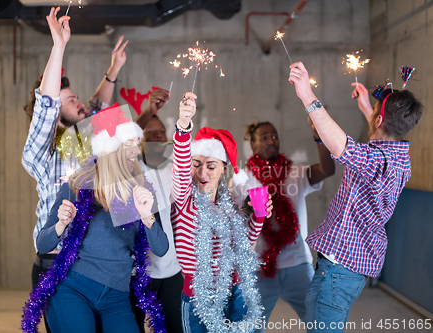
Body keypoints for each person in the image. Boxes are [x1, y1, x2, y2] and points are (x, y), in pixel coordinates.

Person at [288, 62, 423, 332]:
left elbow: (341, 145)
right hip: (351, 269)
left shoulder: (375, 161)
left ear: (379, 120)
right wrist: (367, 108)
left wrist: (307, 95)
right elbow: (384, 134)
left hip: (337, 272)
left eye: (374, 111)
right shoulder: (400, 157)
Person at [21, 7, 127, 331]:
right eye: (71, 100)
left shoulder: (85, 142)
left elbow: (96, 107)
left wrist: (112, 72)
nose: (81, 103)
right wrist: (58, 47)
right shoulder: (41, 153)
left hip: (100, 263)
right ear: (55, 113)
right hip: (57, 264)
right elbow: (48, 103)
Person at [29, 98, 169, 332]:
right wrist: (61, 225)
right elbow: (43, 244)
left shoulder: (142, 188)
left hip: (117, 298)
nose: (137, 150)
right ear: (111, 148)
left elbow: (161, 248)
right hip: (73, 290)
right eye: (130, 144)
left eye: (137, 142)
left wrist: (147, 217)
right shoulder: (79, 185)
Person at [171, 92, 273, 333]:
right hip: (199, 297)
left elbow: (244, 245)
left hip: (235, 291)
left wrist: (258, 216)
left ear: (223, 168)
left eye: (211, 166)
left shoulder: (230, 204)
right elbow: (180, 165)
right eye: (196, 165)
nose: (203, 173)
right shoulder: (184, 199)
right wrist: (184, 127)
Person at [231, 118, 335, 329]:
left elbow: (327, 170)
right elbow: (234, 216)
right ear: (253, 144)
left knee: (319, 322)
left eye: (275, 136)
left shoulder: (295, 172)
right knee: (251, 326)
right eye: (264, 137)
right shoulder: (242, 178)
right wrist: (248, 209)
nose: (271, 140)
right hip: (259, 267)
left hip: (298, 264)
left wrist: (319, 138)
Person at [127, 93, 185, 333]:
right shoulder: (130, 169)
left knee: (176, 327)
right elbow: (125, 136)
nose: (158, 135)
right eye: (150, 132)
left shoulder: (175, 169)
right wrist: (149, 110)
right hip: (137, 271)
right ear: (140, 139)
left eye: (161, 131)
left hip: (171, 269)